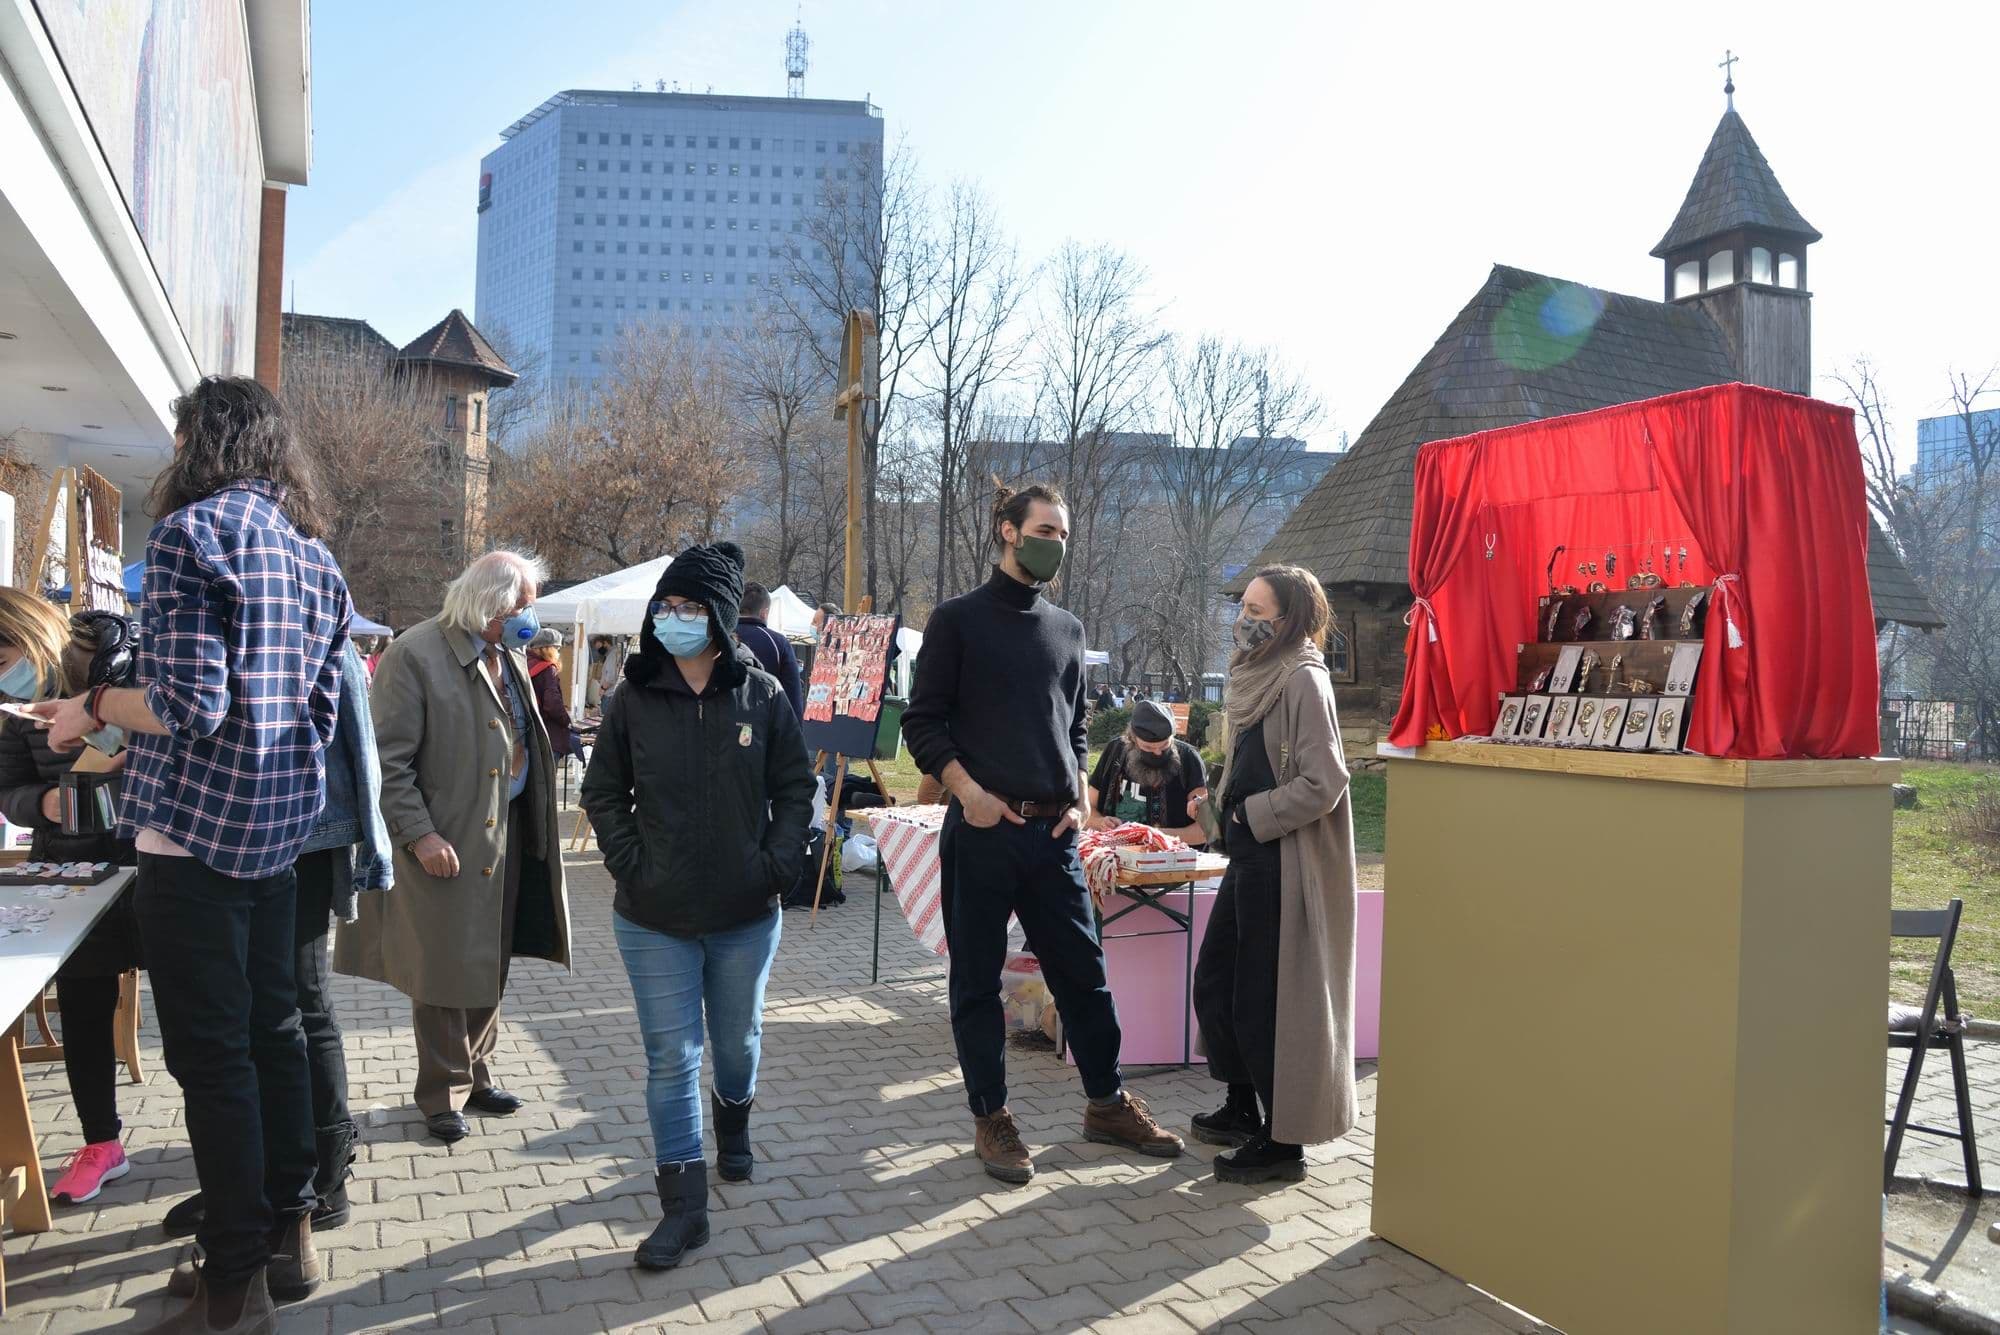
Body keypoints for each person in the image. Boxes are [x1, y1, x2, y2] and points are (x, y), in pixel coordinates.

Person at [35, 375, 351, 1331]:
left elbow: (186, 704)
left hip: (193, 842)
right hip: (278, 835)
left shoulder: (188, 536)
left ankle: (231, 1278)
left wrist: (86, 708)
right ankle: (285, 1233)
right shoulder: (313, 558)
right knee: (276, 1033)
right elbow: (325, 712)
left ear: (198, 440)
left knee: (214, 1060)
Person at [903, 480, 1182, 1185]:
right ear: (1006, 530)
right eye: (1045, 530)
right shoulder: (958, 621)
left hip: (1053, 835)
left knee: (1084, 976)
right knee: (975, 981)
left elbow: (1076, 726)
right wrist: (968, 793)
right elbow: (923, 722)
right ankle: (992, 1117)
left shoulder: (1068, 629)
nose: (1055, 543)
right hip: (983, 830)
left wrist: (1078, 804)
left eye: (1063, 533)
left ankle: (1106, 1101)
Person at [581, 542, 815, 1270]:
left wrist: (775, 866)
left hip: (745, 915)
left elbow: (796, 789)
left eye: (689, 607)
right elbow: (601, 792)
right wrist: (631, 862)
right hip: (653, 917)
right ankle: (684, 1206)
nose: (675, 618)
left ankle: (734, 1127)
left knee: (736, 1042)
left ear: (718, 614)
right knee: (670, 1059)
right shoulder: (633, 696)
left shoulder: (762, 694)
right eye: (668, 606)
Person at [334, 551, 571, 1146]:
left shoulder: (505, 654)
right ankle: (441, 1092)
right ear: (488, 603)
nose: (528, 617)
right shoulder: (416, 654)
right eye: (521, 606)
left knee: (489, 961)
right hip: (445, 842)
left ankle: (476, 1073)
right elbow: (387, 763)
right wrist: (420, 834)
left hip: (505, 832)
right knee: (441, 970)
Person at [162, 639, 392, 1245]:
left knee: (296, 1003)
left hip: (303, 839)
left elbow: (360, 749)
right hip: (238, 838)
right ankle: (261, 1180)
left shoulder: (316, 621)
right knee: (266, 1011)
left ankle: (324, 1181)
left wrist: (372, 852)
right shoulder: (239, 614)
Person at [1189, 564, 1358, 1185]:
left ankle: (1281, 1143)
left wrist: (1252, 814)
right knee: (1218, 976)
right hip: (1249, 851)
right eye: (1245, 608)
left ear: (1291, 620)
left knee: (1263, 995)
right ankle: (1240, 1104)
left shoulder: (1304, 680)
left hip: (1283, 857)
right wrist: (1218, 800)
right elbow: (1251, 761)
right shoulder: (1254, 674)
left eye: (1260, 612)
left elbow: (1326, 781)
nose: (1245, 621)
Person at [0, 602, 138, 1206]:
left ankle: (217, 1137)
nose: (1, 676)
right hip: (69, 868)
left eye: (3, 660)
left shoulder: (108, 668)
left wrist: (113, 744)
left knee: (196, 1010)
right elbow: (8, 790)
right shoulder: (11, 712)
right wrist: (43, 806)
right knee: (83, 1006)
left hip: (153, 859)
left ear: (30, 637)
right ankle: (100, 1143)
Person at [1085, 699, 1207, 845]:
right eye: (1148, 748)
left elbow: (1205, 831)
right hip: (1116, 856)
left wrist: (1152, 836)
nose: (1157, 753)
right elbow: (1086, 808)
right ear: (1133, 739)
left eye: (1164, 746)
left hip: (1173, 860)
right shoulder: (1115, 751)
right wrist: (1100, 822)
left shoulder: (1188, 758)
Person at [735, 582, 803, 718]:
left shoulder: (718, 636)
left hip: (721, 725)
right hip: (765, 725)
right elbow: (792, 696)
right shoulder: (778, 643)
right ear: (764, 613)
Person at [526, 629, 585, 767]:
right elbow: (552, 703)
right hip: (548, 734)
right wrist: (566, 720)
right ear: (550, 648)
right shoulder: (547, 669)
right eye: (557, 648)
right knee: (547, 781)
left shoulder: (525, 664)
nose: (558, 652)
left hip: (529, 731)